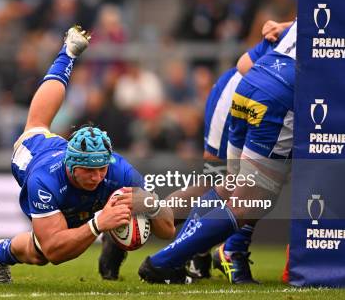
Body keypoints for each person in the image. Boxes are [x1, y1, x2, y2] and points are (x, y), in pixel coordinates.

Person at [98, 20, 293, 283]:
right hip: (249, 94)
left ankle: (193, 249)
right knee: (224, 184)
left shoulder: (304, 23)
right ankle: (182, 250)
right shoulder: (324, 26)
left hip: (244, 91)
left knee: (233, 184)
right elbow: (245, 64)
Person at [0, 26, 176, 284]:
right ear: (71, 166)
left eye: (101, 168)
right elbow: (55, 251)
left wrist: (152, 203)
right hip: (35, 154)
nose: (98, 176)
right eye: (89, 170)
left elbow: (167, 231)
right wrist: (99, 224)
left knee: (124, 202)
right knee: (41, 254)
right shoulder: (44, 181)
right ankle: (1, 252)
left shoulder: (118, 170)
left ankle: (69, 52)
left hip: (80, 189)